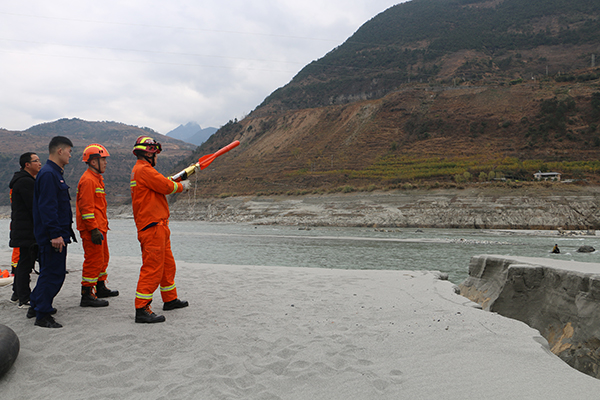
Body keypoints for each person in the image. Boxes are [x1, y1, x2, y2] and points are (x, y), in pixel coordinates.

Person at [130, 135, 190, 323]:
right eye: (156, 153)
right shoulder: (144, 170)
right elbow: (165, 186)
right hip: (153, 226)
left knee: (167, 265)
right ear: (150, 153)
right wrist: (181, 186)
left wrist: (174, 181)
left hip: (158, 226)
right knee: (152, 268)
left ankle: (170, 299)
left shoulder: (142, 170)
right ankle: (142, 308)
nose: (157, 157)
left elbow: (161, 182)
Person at [29, 136, 77, 328]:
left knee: (48, 272)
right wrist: (55, 234)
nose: (70, 155)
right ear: (60, 151)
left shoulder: (52, 172)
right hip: (53, 236)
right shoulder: (49, 174)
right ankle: (43, 314)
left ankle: (35, 305)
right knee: (54, 274)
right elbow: (48, 207)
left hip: (53, 234)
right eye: (69, 151)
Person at [76, 144, 119, 308]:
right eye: (103, 160)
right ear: (93, 162)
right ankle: (86, 294)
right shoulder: (88, 180)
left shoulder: (96, 179)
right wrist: (93, 229)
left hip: (100, 227)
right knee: (93, 260)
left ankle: (100, 287)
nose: (106, 163)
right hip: (92, 229)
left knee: (102, 258)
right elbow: (86, 209)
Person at [9, 152, 42, 308]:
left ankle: (17, 292)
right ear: (27, 165)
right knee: (25, 264)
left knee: (24, 262)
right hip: (26, 230)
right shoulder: (25, 182)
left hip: (24, 229)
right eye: (36, 161)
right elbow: (33, 207)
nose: (39, 163)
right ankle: (23, 296)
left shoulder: (25, 180)